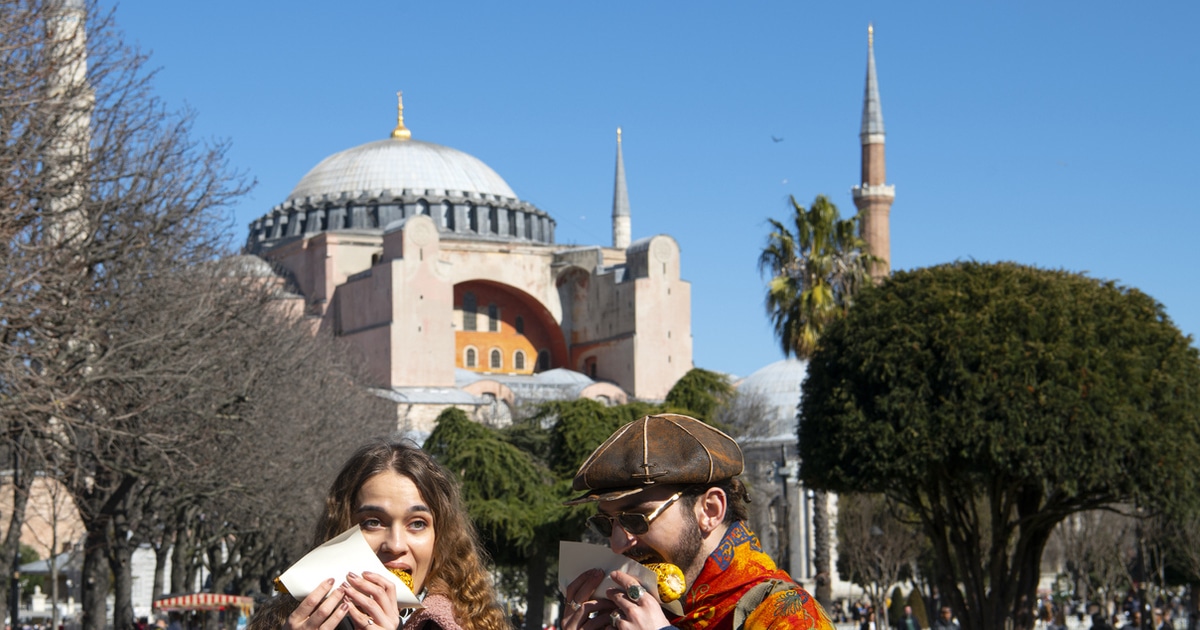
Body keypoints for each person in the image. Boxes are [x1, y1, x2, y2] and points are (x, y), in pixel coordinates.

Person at [561, 413, 834, 630]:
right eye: (606, 524)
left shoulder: (787, 614)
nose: (618, 544)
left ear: (710, 510)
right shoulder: (637, 615)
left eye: (636, 519)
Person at [248, 440, 508, 630]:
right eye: (373, 522)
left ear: (440, 538)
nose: (395, 545)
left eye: (417, 524)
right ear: (341, 529)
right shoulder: (289, 623)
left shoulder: (461, 623)